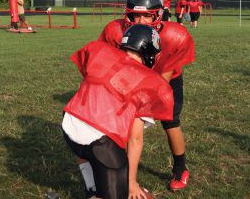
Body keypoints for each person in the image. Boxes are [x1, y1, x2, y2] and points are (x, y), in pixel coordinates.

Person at [97, 0, 195, 191]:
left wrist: (145, 99)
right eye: (135, 16)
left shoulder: (175, 36)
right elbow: (107, 63)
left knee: (171, 121)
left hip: (165, 79)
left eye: (146, 17)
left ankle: (180, 168)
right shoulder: (114, 31)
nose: (140, 22)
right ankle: (121, 171)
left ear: (158, 16)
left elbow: (163, 78)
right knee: (121, 124)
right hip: (129, 80)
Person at [62, 24, 174, 199]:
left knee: (89, 153)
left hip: (70, 124)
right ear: (150, 53)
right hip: (99, 142)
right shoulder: (149, 83)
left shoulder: (101, 52)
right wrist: (131, 182)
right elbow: (135, 138)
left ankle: (92, 188)